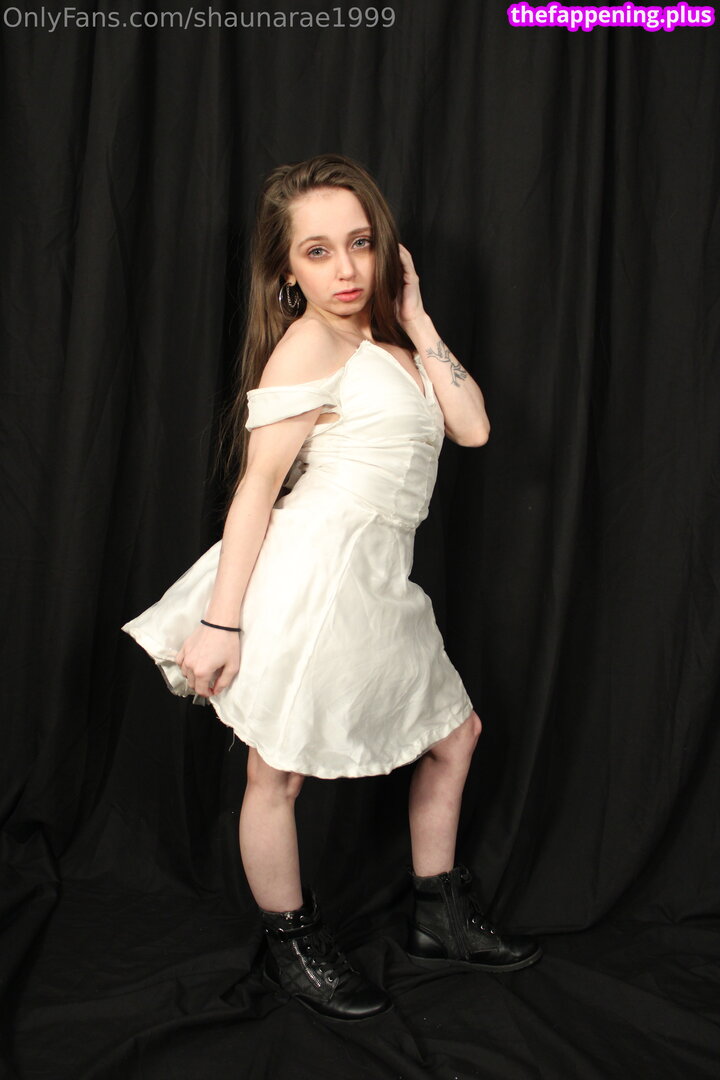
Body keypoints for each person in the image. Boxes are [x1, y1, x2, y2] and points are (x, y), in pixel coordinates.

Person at [122, 153, 541, 1022]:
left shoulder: (387, 344)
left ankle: (439, 919)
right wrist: (222, 624)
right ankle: (295, 949)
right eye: (317, 251)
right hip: (315, 578)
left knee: (455, 735)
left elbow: (473, 427)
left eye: (360, 242)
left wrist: (416, 318)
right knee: (276, 773)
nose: (346, 269)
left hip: (379, 578)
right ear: (287, 270)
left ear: (387, 247)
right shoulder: (308, 345)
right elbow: (256, 488)